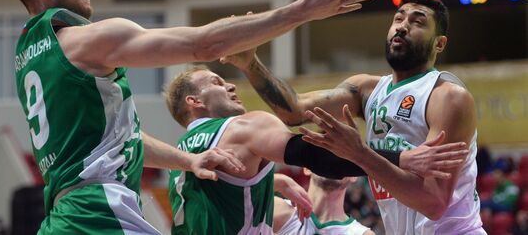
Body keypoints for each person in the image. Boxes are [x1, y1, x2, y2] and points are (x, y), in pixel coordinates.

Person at [12, 0, 373, 234]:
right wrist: (300, 11)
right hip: (98, 214)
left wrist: (188, 160)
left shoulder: (29, 56)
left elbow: (125, 140)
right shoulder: (87, 41)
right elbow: (204, 45)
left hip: (64, 217)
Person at [222, 0, 484, 234]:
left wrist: (359, 153)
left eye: (418, 22)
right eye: (398, 18)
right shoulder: (366, 89)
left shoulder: (448, 96)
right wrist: (251, 64)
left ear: (439, 44)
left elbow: (434, 203)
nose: (402, 26)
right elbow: (294, 111)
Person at [164, 66, 468, 234]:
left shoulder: (183, 157)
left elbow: (221, 203)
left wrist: (272, 182)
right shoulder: (244, 127)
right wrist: (401, 158)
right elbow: (314, 154)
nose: (230, 85)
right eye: (217, 82)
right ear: (195, 102)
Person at [273, 168, 374, 235]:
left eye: (341, 157)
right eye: (324, 155)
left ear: (354, 175)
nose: (331, 163)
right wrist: (278, 182)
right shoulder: (277, 209)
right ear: (307, 168)